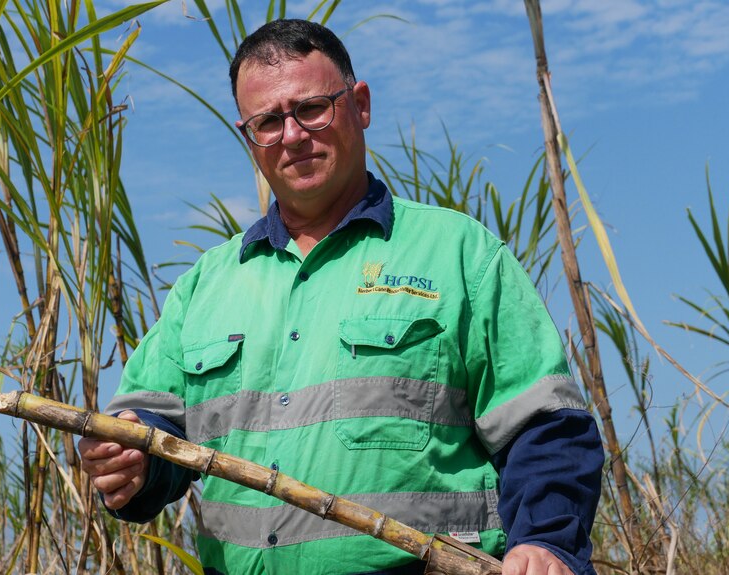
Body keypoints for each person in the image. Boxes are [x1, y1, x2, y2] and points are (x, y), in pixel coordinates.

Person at [79, 19, 603, 575]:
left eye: (312, 109)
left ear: (361, 104)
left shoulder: (461, 255)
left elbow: (546, 426)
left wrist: (546, 543)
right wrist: (129, 459)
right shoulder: (206, 286)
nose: (293, 135)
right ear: (247, 135)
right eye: (268, 121)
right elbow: (154, 431)